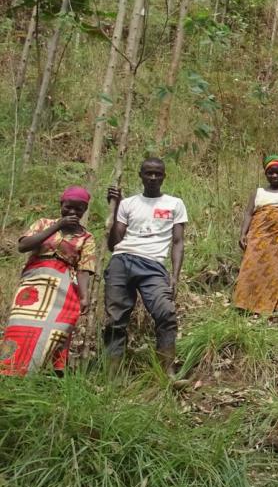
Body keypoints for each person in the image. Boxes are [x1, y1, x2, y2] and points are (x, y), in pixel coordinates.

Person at [103, 158, 187, 373]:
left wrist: (175, 275)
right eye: (148, 173)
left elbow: (178, 242)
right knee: (115, 320)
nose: (152, 178)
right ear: (140, 175)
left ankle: (167, 373)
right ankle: (112, 378)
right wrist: (115, 209)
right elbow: (114, 244)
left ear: (164, 176)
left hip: (153, 266)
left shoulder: (174, 204)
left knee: (166, 313)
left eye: (157, 174)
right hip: (122, 261)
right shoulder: (128, 204)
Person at [2, 186, 97, 376]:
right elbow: (23, 246)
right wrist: (57, 226)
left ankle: (44, 375)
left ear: (84, 211)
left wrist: (84, 296)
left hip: (65, 288)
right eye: (68, 207)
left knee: (58, 330)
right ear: (61, 205)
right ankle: (10, 371)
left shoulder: (86, 237)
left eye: (79, 209)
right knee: (20, 325)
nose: (73, 212)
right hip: (34, 284)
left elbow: (84, 268)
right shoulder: (43, 223)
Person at [232, 157, 278, 315]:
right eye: (271, 173)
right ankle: (245, 304)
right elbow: (248, 213)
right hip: (258, 237)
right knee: (251, 267)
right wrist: (243, 233)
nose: (274, 176)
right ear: (266, 174)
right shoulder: (258, 192)